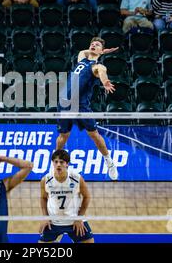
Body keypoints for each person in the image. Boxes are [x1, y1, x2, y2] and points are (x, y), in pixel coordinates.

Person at [56, 37, 119, 181]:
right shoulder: (81, 59)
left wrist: (106, 82)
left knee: (95, 135)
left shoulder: (97, 66)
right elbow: (82, 51)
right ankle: (56, 164)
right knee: (63, 137)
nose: (93, 45)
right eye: (92, 44)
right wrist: (101, 50)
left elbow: (102, 73)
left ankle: (109, 162)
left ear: (100, 51)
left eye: (96, 45)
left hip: (81, 106)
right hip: (65, 104)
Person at [39, 149, 93, 243]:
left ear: (67, 164)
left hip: (74, 220)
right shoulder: (46, 179)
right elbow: (43, 198)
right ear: (52, 163)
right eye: (56, 162)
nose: (58, 164)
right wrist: (45, 217)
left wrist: (79, 218)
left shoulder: (76, 178)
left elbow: (87, 196)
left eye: (61, 162)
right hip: (54, 221)